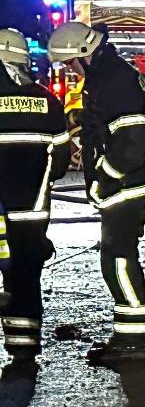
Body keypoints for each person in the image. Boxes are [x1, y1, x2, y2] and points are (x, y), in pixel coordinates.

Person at [47, 21, 145, 367]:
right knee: (116, 257)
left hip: (125, 187)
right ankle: (128, 337)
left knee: (118, 259)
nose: (69, 70)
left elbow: (133, 141)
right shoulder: (108, 75)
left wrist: (105, 177)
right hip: (124, 185)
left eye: (69, 64)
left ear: (84, 53)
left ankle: (133, 343)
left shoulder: (112, 80)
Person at [0, 29, 68, 368]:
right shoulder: (46, 99)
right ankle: (23, 348)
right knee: (25, 275)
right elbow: (61, 159)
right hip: (30, 212)